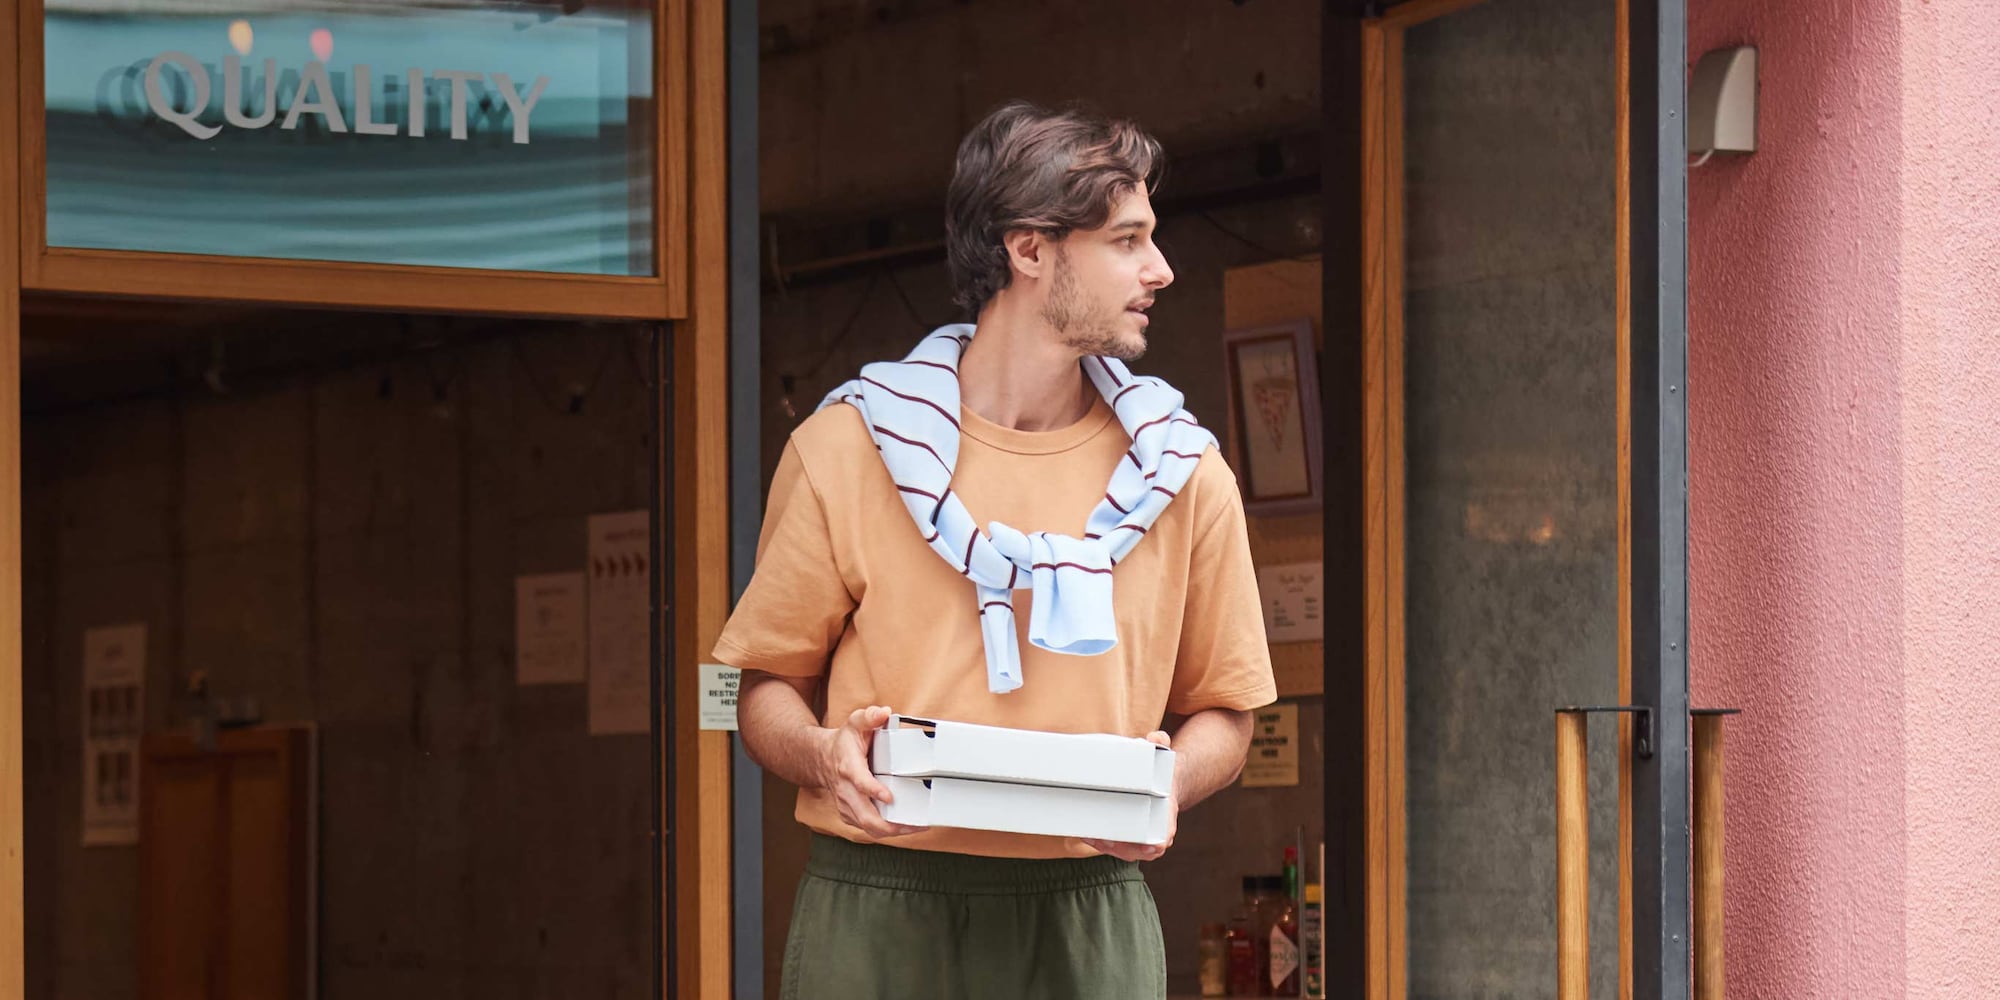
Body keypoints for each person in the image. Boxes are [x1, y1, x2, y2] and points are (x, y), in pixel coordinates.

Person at [714, 100, 1277, 999]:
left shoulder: (1182, 470)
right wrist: (824, 756)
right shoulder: (847, 448)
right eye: (1127, 240)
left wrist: (1167, 784)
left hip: (1088, 908)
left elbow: (1228, 713)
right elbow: (764, 689)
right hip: (879, 908)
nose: (1161, 269)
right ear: (1030, 250)